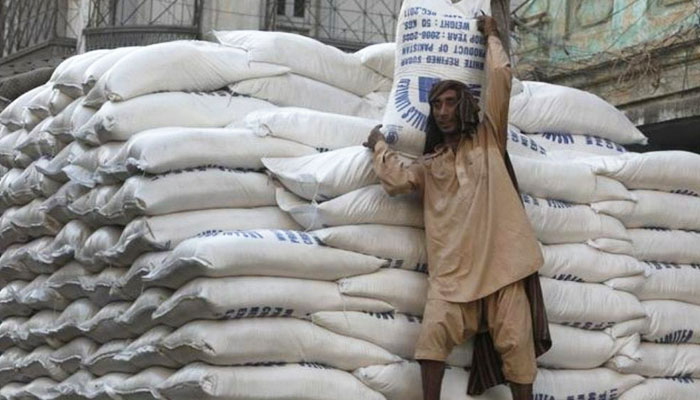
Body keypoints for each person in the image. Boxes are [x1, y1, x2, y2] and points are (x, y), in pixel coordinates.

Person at [364, 15, 551, 400]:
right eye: (436, 105)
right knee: (431, 341)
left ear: (465, 104)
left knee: (518, 347)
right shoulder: (430, 166)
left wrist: (492, 35)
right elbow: (397, 179)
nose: (444, 110)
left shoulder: (488, 140)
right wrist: (379, 145)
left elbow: (500, 76)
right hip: (452, 277)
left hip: (503, 269)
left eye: (450, 102)